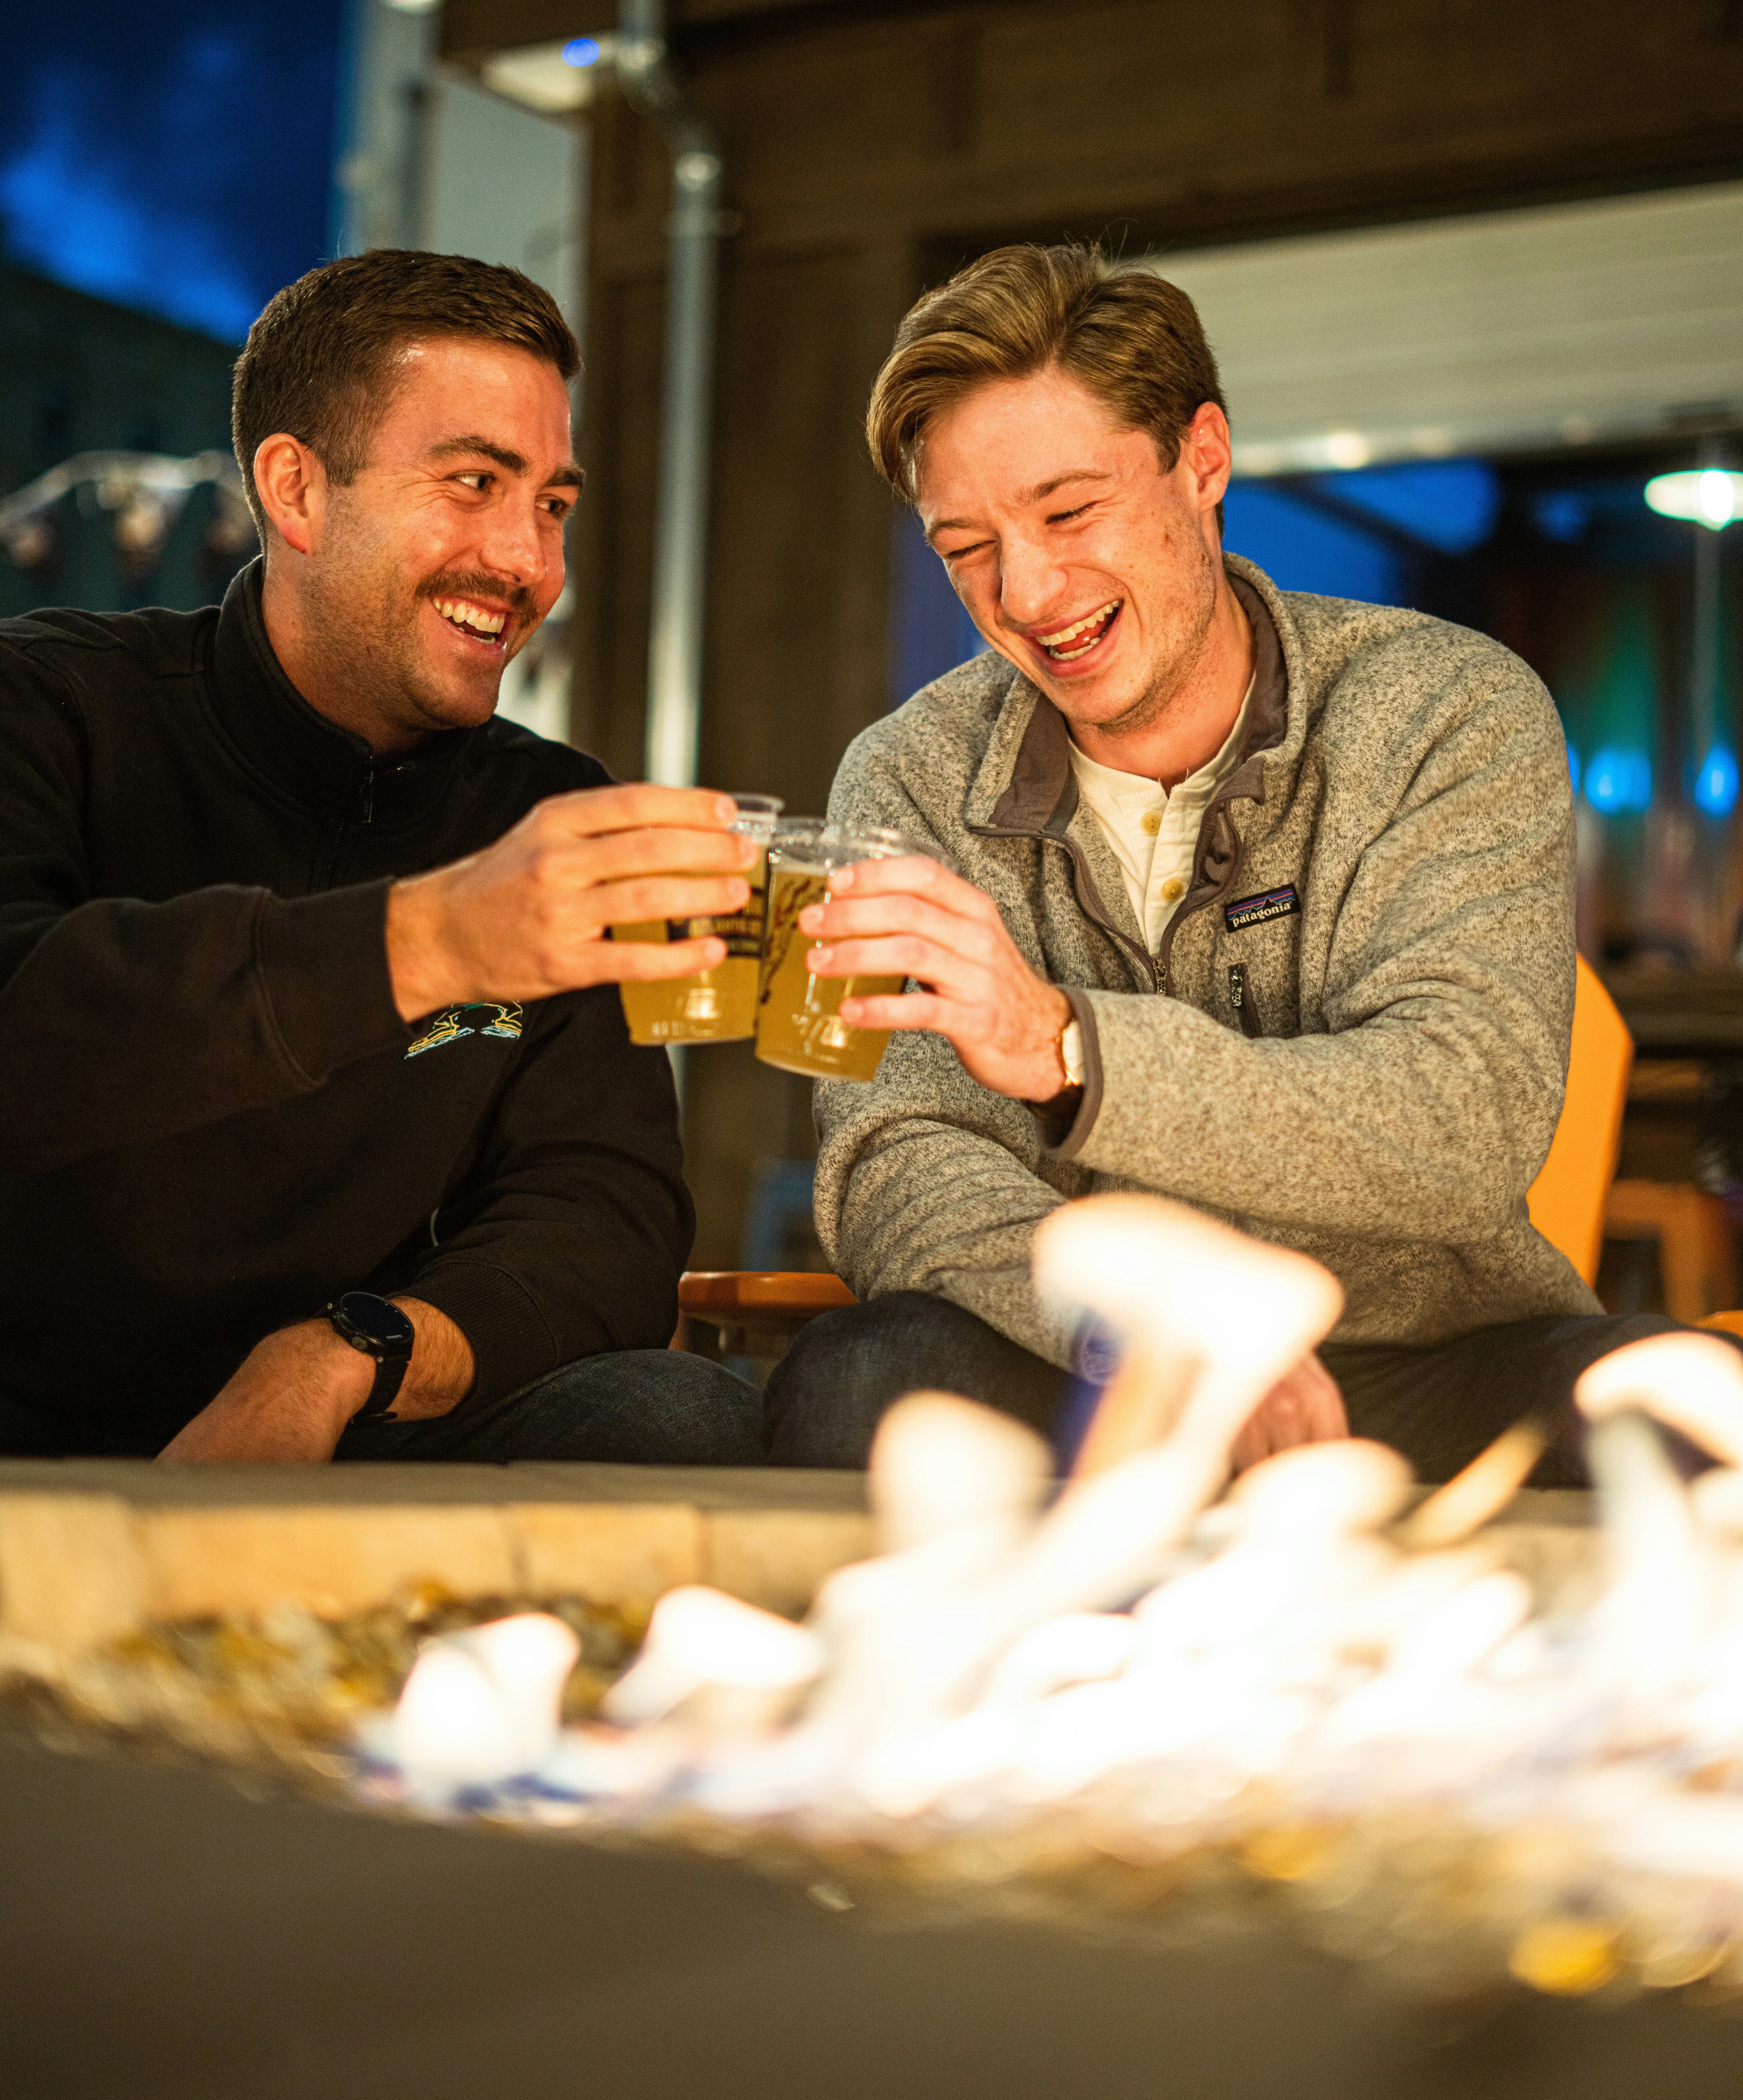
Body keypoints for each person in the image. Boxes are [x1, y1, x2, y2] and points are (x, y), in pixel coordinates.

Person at [764, 241, 1684, 1484]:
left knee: (1673, 1411)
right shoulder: (905, 775)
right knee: (861, 1375)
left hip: (1427, 1360)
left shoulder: (1450, 710)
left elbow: (1466, 1119)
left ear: (1202, 459)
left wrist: (1068, 1050)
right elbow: (896, 1158)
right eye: (964, 546)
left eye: (1070, 510)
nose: (1026, 591)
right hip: (1091, 1363)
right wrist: (1149, 1325)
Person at [0, 249, 762, 1466]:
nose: (528, 566)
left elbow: (601, 1217)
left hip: (353, 1422)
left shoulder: (552, 812)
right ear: (295, 492)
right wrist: (434, 938)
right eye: (473, 483)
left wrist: (352, 1353)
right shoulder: (48, 704)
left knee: (680, 1415)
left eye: (553, 506)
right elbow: (30, 1023)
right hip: (31, 1414)